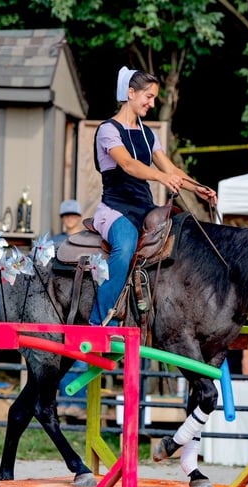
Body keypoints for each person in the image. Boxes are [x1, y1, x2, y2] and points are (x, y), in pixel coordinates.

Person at [90, 66, 217, 326]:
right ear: (131, 93)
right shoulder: (108, 130)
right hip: (115, 210)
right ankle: (100, 320)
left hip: (145, 210)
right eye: (148, 96)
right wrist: (161, 177)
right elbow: (128, 164)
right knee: (124, 247)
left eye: (154, 98)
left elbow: (170, 168)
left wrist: (197, 187)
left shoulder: (149, 134)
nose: (152, 103)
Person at [52, 198, 89, 419]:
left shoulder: (85, 241)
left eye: (73, 215)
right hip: (59, 302)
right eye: (66, 216)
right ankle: (67, 403)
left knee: (78, 351)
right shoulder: (56, 241)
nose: (70, 219)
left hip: (78, 302)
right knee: (64, 352)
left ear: (79, 217)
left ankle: (76, 404)